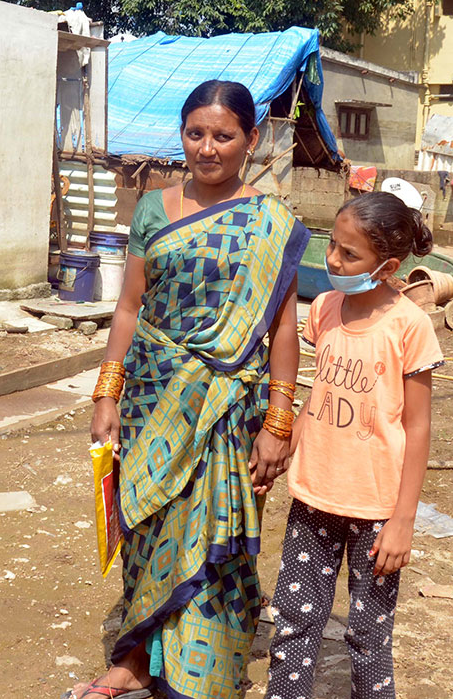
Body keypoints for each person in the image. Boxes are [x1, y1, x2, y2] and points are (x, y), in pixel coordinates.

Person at [68, 81, 310, 699]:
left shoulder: (273, 223)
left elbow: (283, 328)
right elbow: (128, 307)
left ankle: (207, 669)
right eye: (195, 134)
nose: (208, 148)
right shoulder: (152, 208)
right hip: (153, 394)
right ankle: (137, 660)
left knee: (217, 537)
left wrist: (280, 420)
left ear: (251, 141)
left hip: (229, 407)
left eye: (224, 136)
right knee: (149, 528)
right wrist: (106, 393)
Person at [265, 192, 441, 699]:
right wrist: (286, 445)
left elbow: (419, 427)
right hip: (313, 496)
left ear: (387, 266)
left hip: (377, 511)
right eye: (333, 247)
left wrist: (403, 521)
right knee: (295, 622)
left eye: (349, 254)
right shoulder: (323, 308)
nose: (334, 261)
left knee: (368, 634)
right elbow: (318, 393)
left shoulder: (410, 326)